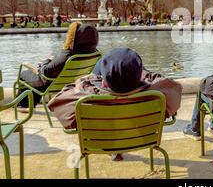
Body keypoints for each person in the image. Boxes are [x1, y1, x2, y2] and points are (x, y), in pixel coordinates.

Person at [48, 47, 182, 161]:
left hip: (103, 141)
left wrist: (88, 80)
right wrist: (143, 76)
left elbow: (57, 104)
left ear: (104, 82)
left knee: (106, 61)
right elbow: (172, 86)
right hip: (142, 139)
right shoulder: (157, 95)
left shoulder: (86, 98)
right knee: (125, 62)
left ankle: (114, 150)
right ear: (140, 77)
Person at [16, 22, 99, 111]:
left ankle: (23, 106)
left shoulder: (68, 54)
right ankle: (29, 105)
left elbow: (46, 72)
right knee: (35, 77)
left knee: (24, 74)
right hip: (71, 83)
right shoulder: (94, 53)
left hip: (50, 84)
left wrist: (46, 61)